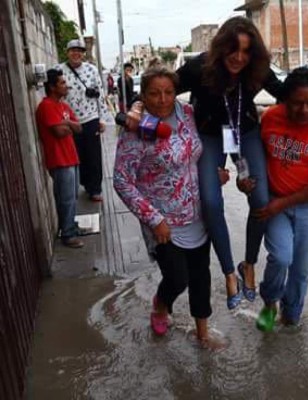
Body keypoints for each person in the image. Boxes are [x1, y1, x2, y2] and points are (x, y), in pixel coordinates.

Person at [151, 16, 308, 310]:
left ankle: (248, 264)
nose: (239, 58)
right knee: (211, 202)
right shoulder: (201, 67)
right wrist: (139, 107)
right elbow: (164, 86)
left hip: (245, 132)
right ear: (221, 48)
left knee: (261, 198)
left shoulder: (256, 69)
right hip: (211, 134)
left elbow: (285, 91)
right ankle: (228, 271)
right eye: (233, 50)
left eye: (246, 51)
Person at [113, 64, 224, 349]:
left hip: (197, 212)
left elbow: (198, 153)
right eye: (154, 94)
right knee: (177, 278)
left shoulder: (187, 114)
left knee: (201, 276)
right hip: (163, 219)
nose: (162, 100)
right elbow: (121, 180)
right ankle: (161, 304)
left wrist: (215, 175)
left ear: (177, 92)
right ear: (143, 96)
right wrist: (153, 219)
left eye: (168, 92)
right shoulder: (135, 130)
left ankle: (202, 333)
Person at [239, 68, 308, 331]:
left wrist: (284, 203)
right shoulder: (271, 117)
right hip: (275, 203)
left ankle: (291, 315)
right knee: (280, 257)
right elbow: (250, 153)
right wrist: (243, 179)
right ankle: (269, 302)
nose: (303, 110)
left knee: (301, 271)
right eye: (296, 103)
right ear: (284, 100)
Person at [56, 39, 112, 202]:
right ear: (67, 52)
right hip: (70, 120)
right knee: (78, 155)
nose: (76, 54)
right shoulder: (59, 70)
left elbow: (100, 94)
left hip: (91, 117)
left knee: (93, 155)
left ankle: (95, 189)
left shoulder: (91, 70)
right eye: (73, 50)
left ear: (83, 53)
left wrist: (102, 119)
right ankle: (85, 183)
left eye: (79, 51)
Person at [35, 69, 84, 248]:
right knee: (65, 198)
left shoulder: (63, 106)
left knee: (72, 197)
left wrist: (67, 123)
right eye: (62, 83)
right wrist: (68, 125)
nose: (66, 86)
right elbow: (58, 132)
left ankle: (72, 226)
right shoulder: (47, 106)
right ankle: (68, 234)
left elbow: (78, 128)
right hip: (59, 159)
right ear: (52, 87)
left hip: (71, 157)